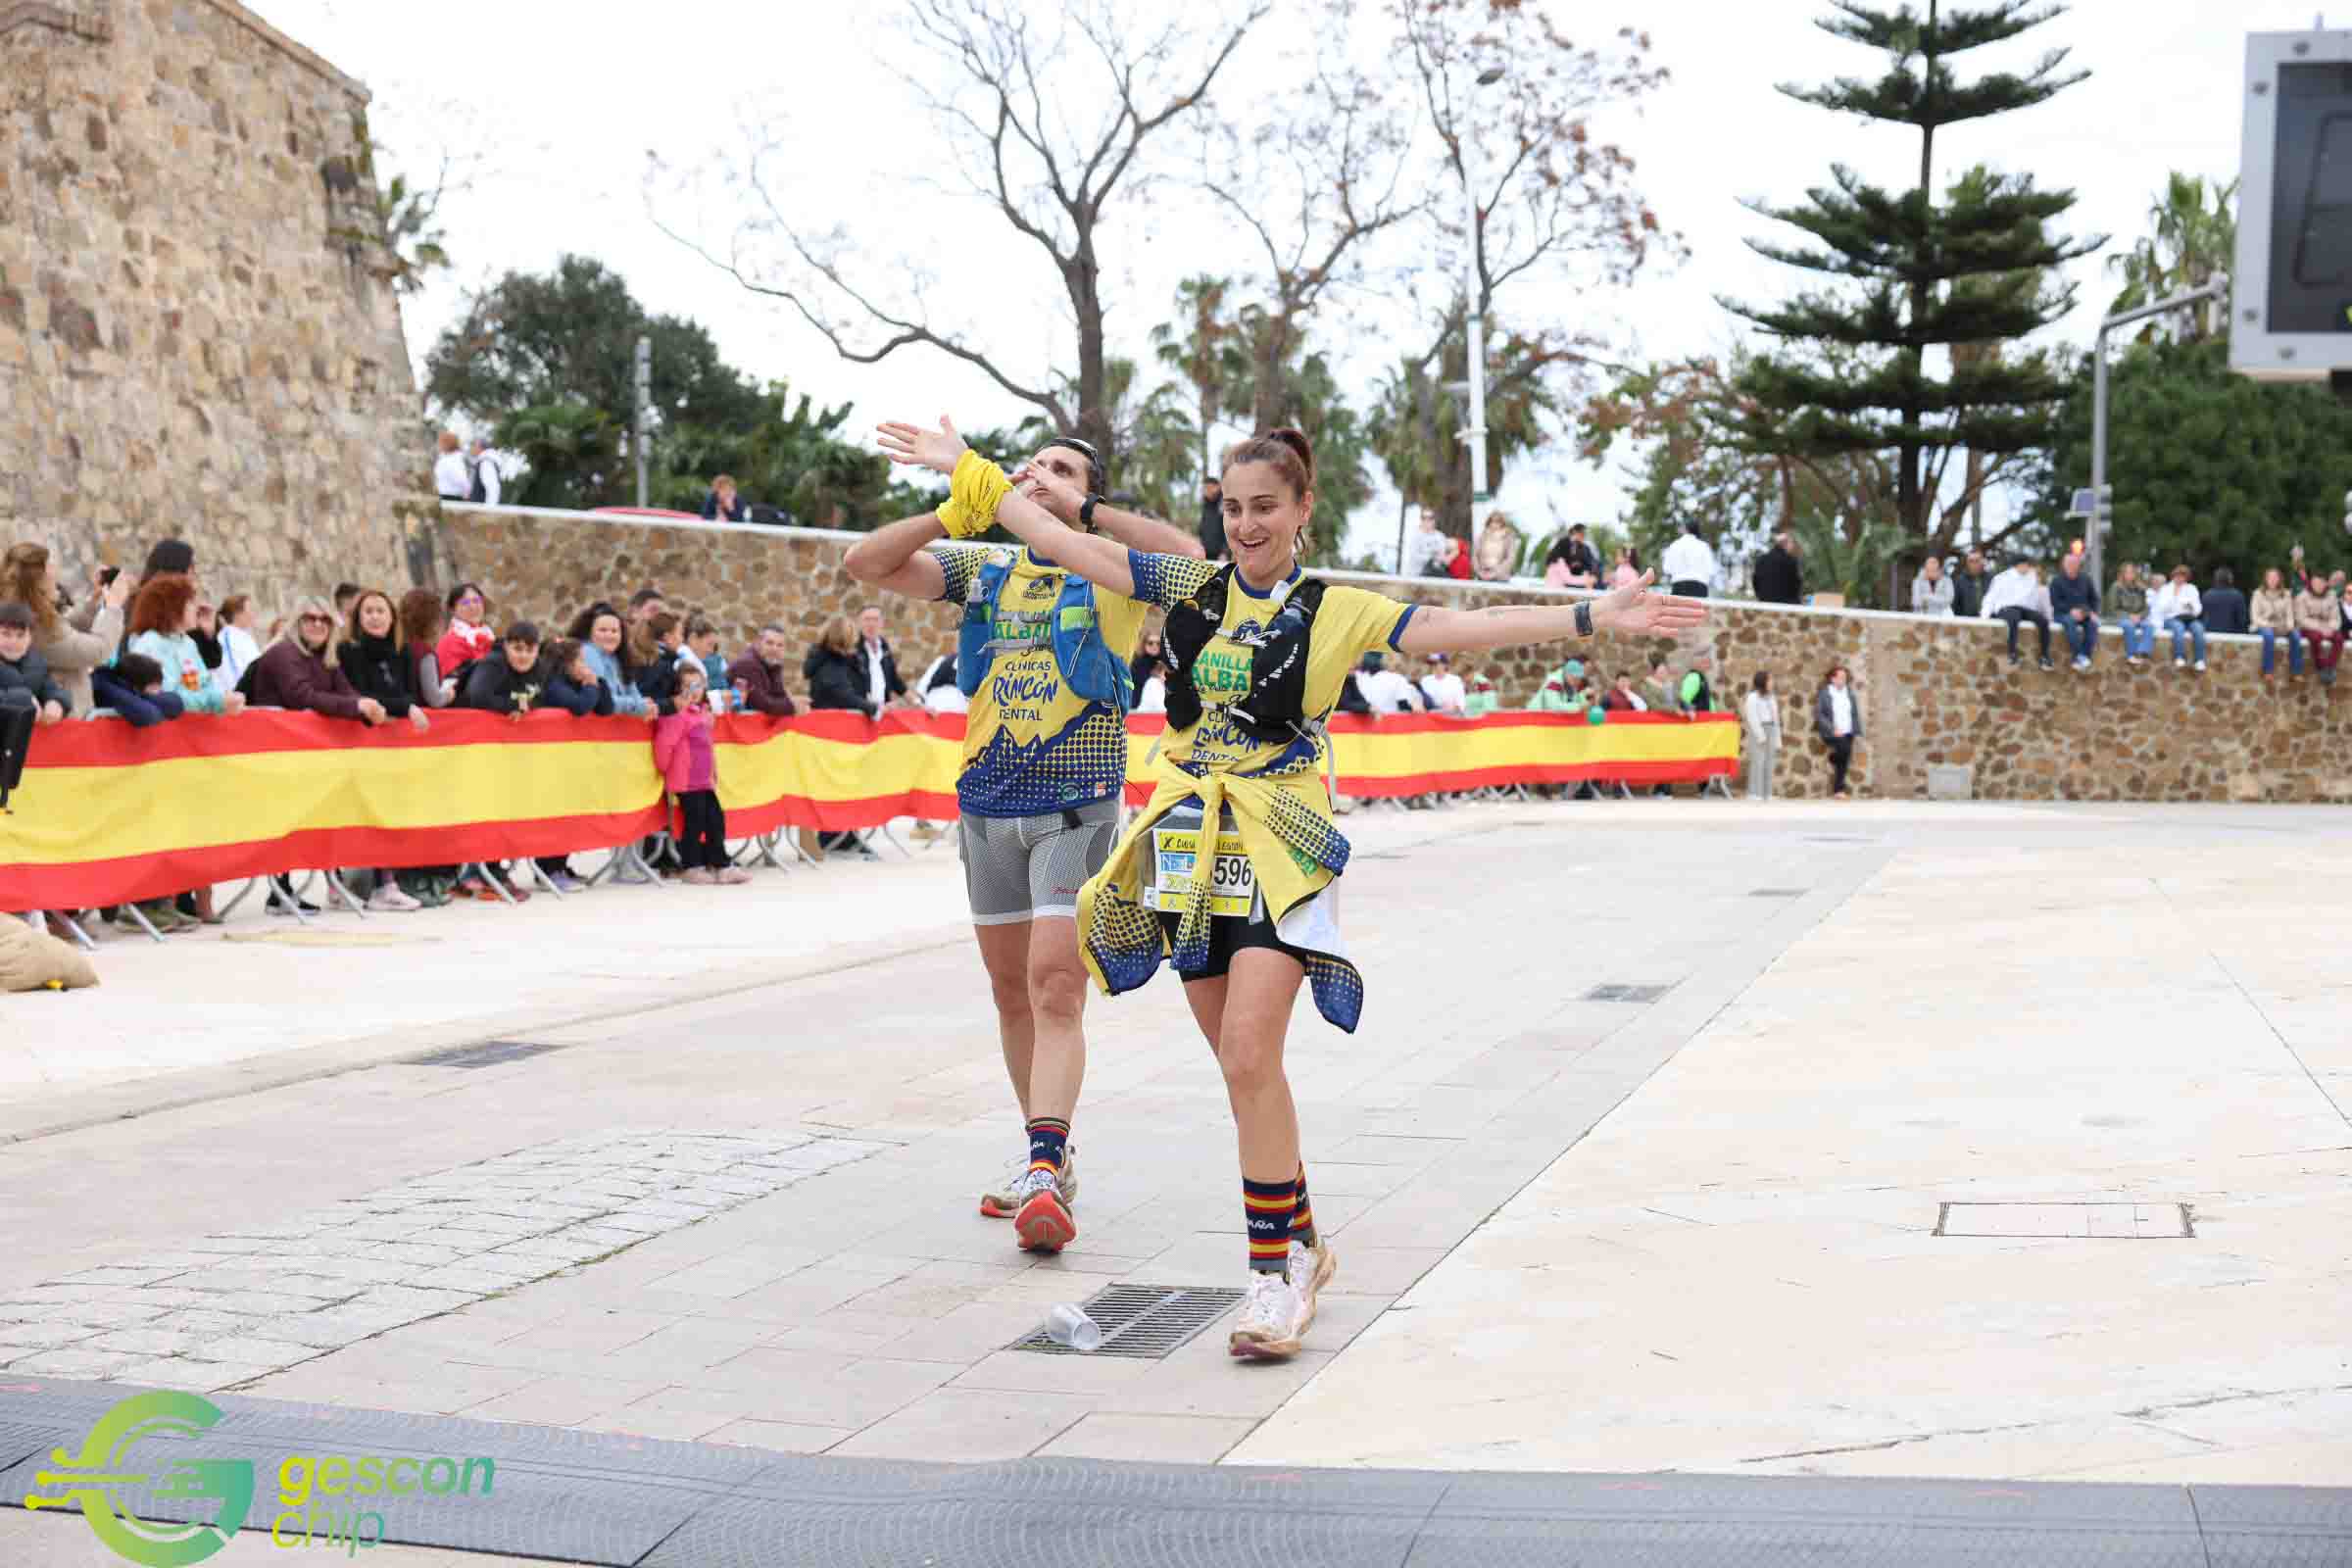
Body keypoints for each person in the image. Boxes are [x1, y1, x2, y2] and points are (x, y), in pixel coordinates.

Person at [877, 413, 1704, 1358]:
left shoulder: (1333, 608)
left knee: (1246, 1050)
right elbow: (1059, 539)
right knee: (1245, 1074)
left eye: (1265, 506)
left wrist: (1593, 614)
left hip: (1281, 846)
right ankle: (1304, 1241)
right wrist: (969, 472)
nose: (1246, 525)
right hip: (1189, 852)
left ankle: (1272, 1279)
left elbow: (1457, 626)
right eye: (1233, 508)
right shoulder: (1187, 586)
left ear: (1304, 508)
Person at [845, 432, 1202, 1244]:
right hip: (986, 805)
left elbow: (1187, 558)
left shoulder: (1108, 568)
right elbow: (866, 564)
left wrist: (1083, 510)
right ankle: (1051, 1154)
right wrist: (955, 509)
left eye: (1064, 468)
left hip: (1075, 803)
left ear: (1089, 491)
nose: (1043, 475)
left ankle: (1042, 1170)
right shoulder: (987, 568)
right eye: (1036, 465)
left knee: (1055, 986)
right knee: (1011, 993)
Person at [2, 542, 128, 714]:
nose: (55, 570)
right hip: (63, 715)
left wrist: (93, 601)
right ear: (40, 579)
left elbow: (65, 628)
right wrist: (113, 608)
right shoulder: (36, 624)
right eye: (50, 565)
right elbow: (99, 651)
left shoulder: (24, 611)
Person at [653, 662, 751, 885]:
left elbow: (708, 746)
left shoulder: (703, 713)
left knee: (715, 820)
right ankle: (691, 866)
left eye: (697, 685)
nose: (693, 691)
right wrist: (665, 769)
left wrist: (713, 771)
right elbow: (664, 745)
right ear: (678, 690)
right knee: (694, 822)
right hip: (686, 781)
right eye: (687, 686)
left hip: (703, 781)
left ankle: (721, 864)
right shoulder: (676, 716)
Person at [126, 574, 246, 718]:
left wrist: (224, 698)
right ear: (172, 606)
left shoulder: (187, 642)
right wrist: (217, 701)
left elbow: (205, 683)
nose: (197, 608)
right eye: (191, 602)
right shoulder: (150, 644)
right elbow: (168, 695)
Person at [569, 604, 660, 722]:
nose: (609, 635)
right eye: (602, 630)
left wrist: (645, 705)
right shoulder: (588, 651)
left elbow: (633, 693)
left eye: (614, 631)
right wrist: (640, 706)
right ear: (589, 633)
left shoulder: (618, 657)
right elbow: (604, 700)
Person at [0, 602, 70, 723]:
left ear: (30, 638)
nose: (13, 642)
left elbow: (50, 687)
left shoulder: (36, 663)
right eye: (6, 634)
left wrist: (57, 702)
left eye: (20, 635)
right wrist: (24, 700)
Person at [1982, 560, 2053, 669]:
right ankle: (2012, 653)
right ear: (2017, 565)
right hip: (2006, 607)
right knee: (2014, 617)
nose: (2025, 568)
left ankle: (2045, 656)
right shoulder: (2003, 577)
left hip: (2024, 609)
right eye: (2023, 565)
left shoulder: (2032, 578)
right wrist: (1985, 615)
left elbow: (2035, 601)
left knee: (2042, 621)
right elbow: (1991, 596)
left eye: (2027, 565)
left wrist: (2046, 616)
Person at [724, 623, 801, 716]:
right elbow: (760, 704)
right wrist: (793, 706)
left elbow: (779, 695)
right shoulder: (747, 664)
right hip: (739, 721)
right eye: (769, 643)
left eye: (780, 645)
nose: (774, 649)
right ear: (758, 642)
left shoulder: (771, 663)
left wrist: (775, 668)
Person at [90, 652, 181, 728]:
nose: (159, 691)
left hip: (135, 692)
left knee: (170, 703)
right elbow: (148, 715)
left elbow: (175, 704)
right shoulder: (107, 685)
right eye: (154, 687)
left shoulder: (135, 684)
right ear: (137, 686)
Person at [1815, 663, 1860, 800]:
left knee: (1844, 761)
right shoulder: (1825, 693)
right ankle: (1832, 758)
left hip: (1848, 731)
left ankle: (1838, 790)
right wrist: (1832, 729)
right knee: (1844, 752)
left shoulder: (1849, 692)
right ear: (1833, 679)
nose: (1843, 680)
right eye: (1841, 677)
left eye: (1845, 677)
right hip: (1832, 732)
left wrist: (1856, 728)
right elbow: (1819, 714)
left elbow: (1854, 712)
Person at [2049, 553, 2099, 670]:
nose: (2071, 565)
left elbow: (2094, 599)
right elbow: (2055, 602)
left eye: (2074, 563)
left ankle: (2084, 656)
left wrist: (2089, 612)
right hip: (2063, 614)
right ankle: (2077, 657)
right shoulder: (2056, 581)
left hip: (2083, 613)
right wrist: (2071, 611)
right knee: (2070, 622)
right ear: (2064, 565)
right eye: (2069, 563)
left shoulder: (2086, 579)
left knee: (2093, 624)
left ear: (2078, 565)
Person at [853, 606, 906, 713]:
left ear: (882, 623)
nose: (871, 624)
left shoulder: (884, 648)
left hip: (882, 712)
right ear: (859, 623)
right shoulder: (852, 648)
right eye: (867, 619)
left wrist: (918, 703)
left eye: (875, 620)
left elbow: (895, 681)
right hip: (859, 711)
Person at [2151, 564, 2206, 672]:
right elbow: (2161, 608)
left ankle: (2199, 660)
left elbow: (2198, 609)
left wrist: (2191, 606)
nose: (2180, 579)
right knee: (2178, 628)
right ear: (2173, 576)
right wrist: (2174, 597)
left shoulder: (2192, 589)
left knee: (2199, 628)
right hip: (2172, 618)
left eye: (2183, 576)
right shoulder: (2166, 589)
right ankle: (2179, 657)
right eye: (2178, 576)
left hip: (2188, 618)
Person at [2295, 570, 2344, 686]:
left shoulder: (2331, 595)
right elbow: (2301, 619)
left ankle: (2330, 666)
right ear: (2311, 583)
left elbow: (2336, 618)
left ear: (2325, 583)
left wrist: (2330, 628)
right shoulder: (2302, 596)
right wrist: (2320, 627)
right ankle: (2320, 666)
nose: (2318, 586)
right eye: (2315, 583)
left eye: (2321, 583)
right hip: (2309, 627)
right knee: (2316, 638)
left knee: (2339, 638)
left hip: (2328, 627)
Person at [436, 583, 495, 680]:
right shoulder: (449, 643)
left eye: (476, 600)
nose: (472, 607)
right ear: (453, 610)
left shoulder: (488, 635)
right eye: (465, 602)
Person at [2253, 566, 2302, 679]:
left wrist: (2290, 626)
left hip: (2282, 625)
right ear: (2265, 579)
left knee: (2296, 636)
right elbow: (2255, 617)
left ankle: (2296, 672)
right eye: (2270, 577)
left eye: (2275, 577)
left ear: (2280, 579)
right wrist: (2268, 625)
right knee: (2269, 636)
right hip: (2264, 624)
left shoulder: (2286, 594)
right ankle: (2268, 671)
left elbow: (2290, 614)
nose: (2273, 580)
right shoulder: (2258, 594)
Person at [2107, 563, 2154, 667]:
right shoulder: (2116, 587)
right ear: (2122, 573)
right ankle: (2131, 655)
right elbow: (2113, 608)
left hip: (2138, 617)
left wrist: (2140, 616)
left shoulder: (2141, 588)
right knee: (2129, 626)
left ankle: (2143, 652)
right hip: (2122, 617)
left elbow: (2146, 608)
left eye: (2132, 572)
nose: (2129, 575)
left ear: (2135, 574)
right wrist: (2129, 616)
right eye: (2127, 572)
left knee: (2149, 626)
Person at [1742, 671, 1780, 801]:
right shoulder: (1753, 697)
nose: (1772, 682)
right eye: (1770, 680)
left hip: (1771, 728)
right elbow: (1752, 717)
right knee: (1758, 761)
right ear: (1763, 681)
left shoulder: (1771, 697)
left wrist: (1777, 737)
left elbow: (1775, 717)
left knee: (1770, 762)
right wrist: (1760, 735)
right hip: (1759, 729)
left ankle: (1767, 793)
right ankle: (1754, 793)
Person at [1352, 650, 1424, 712]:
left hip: (1364, 721)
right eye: (1398, 665)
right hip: (1390, 721)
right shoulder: (1397, 679)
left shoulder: (1358, 677)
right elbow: (1404, 705)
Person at [217, 595, 264, 688]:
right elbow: (234, 676)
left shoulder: (244, 636)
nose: (254, 613)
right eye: (251, 609)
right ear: (237, 614)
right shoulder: (227, 638)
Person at [1661, 520, 1715, 598]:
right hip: (1700, 587)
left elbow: (1667, 569)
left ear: (1685, 529)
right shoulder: (1704, 546)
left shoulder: (1674, 545)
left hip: (1679, 586)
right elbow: (1711, 570)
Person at [1544, 523, 1601, 589]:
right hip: (1556, 591)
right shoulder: (1559, 562)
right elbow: (1569, 579)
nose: (1572, 552)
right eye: (1570, 548)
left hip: (1555, 590)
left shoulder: (1555, 561)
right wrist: (1587, 580)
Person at [1753, 532, 1802, 604]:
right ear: (1785, 544)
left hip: (1765, 603)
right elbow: (1796, 585)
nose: (1793, 546)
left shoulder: (1760, 560)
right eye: (1791, 543)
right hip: (1787, 605)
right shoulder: (1791, 561)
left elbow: (1755, 583)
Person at [1473, 512, 1520, 583]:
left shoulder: (1508, 537)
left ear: (1502, 523)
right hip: (1482, 576)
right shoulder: (1482, 536)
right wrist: (1479, 572)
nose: (1494, 524)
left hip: (1500, 578)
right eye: (1492, 521)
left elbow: (1511, 558)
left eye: (1497, 522)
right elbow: (1475, 556)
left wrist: (1496, 572)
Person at [2204, 565, 2248, 636]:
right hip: (2233, 636)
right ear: (2230, 579)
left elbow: (2204, 618)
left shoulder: (2207, 595)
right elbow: (2242, 620)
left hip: (2210, 634)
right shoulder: (2237, 595)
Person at [685, 616, 727, 691]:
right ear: (693, 638)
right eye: (709, 644)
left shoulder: (696, 662)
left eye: (713, 646)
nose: (711, 651)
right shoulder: (683, 662)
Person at [1950, 549, 1993, 617]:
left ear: (1982, 562)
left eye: (1977, 561)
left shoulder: (1992, 580)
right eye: (1971, 561)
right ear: (1967, 563)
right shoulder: (1959, 581)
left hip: (1990, 620)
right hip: (1967, 620)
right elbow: (1954, 606)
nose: (1974, 564)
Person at [433, 431, 468, 501]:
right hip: (445, 494)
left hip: (450, 496)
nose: (439, 445)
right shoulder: (445, 458)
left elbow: (461, 479)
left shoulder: (452, 460)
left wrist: (466, 492)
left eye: (441, 442)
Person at [1199, 476, 1228, 561]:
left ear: (1218, 487)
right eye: (1205, 488)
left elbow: (1229, 530)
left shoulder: (1225, 504)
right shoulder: (1205, 505)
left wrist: (1225, 552)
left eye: (1209, 488)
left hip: (1221, 555)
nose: (1207, 491)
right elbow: (1202, 528)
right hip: (1206, 553)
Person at [467, 438, 502, 506]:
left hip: (482, 509)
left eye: (472, 445)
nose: (470, 449)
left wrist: (489, 509)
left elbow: (493, 488)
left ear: (479, 447)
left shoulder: (486, 463)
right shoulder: (484, 461)